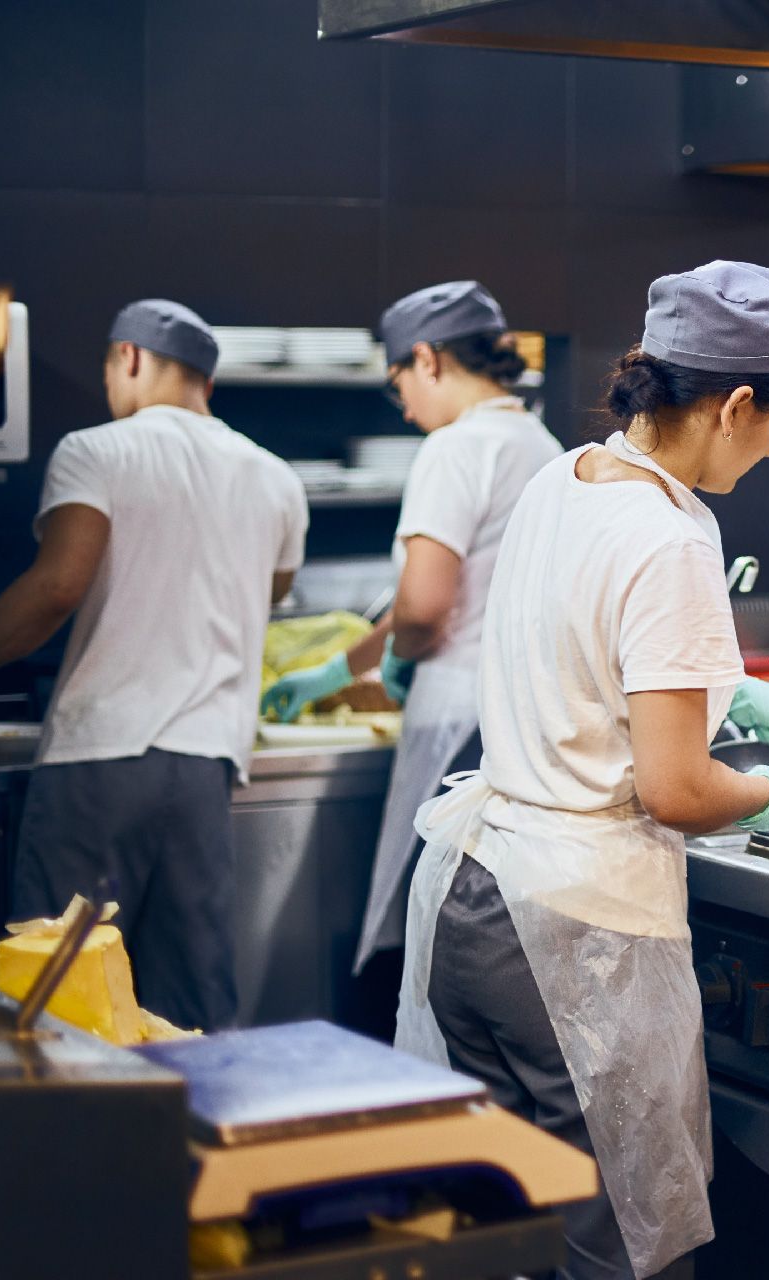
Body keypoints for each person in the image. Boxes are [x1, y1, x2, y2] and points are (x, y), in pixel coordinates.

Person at [397, 261, 769, 1279]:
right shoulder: (671, 537)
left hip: (475, 897)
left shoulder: (568, 475)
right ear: (732, 403)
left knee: (506, 1243)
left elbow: (584, 661)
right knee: (617, 1255)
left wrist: (729, 694)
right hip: (572, 940)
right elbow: (677, 788)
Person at [0, 299, 308, 1030]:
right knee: (189, 1006)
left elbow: (57, 587)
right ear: (205, 382)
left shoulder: (98, 450)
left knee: (56, 991)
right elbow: (270, 591)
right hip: (205, 765)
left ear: (128, 358)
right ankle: (198, 1139)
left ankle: (64, 1143)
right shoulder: (276, 477)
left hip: (100, 758)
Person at [261, 282, 562, 1004]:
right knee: (493, 928)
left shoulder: (454, 450)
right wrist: (347, 664)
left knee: (428, 926)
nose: (401, 404)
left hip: (457, 720)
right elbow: (460, 593)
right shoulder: (544, 445)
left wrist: (401, 656)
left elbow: (426, 606)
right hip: (525, 718)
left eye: (399, 379)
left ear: (426, 359)